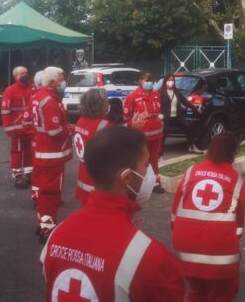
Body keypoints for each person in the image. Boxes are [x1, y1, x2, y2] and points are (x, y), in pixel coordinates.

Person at [41, 126, 185, 302]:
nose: (150, 173)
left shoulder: (56, 236)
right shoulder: (151, 259)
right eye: (146, 165)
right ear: (126, 178)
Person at [171, 132, 245, 302]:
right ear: (233, 153)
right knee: (222, 294)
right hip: (222, 257)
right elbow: (239, 227)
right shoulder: (237, 181)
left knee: (196, 292)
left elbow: (174, 215)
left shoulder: (191, 172)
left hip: (184, 252)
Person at [31, 66, 72, 243]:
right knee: (51, 192)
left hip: (42, 150)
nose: (63, 82)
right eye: (62, 78)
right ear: (53, 81)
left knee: (44, 189)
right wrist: (70, 130)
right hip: (51, 154)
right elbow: (54, 131)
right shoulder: (50, 101)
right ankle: (47, 228)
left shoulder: (38, 96)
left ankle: (42, 221)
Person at [73, 89, 122, 206]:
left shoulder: (80, 121)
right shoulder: (104, 125)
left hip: (83, 174)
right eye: (106, 102)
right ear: (100, 104)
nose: (108, 104)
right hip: (99, 178)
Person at [123, 72, 164, 194]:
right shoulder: (132, 96)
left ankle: (156, 183)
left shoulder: (157, 95)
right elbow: (126, 117)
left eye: (151, 80)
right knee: (139, 160)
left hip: (156, 134)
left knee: (154, 159)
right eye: (147, 80)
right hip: (140, 135)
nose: (149, 83)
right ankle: (136, 184)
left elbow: (159, 111)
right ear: (140, 81)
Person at [0, 67, 34, 189]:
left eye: (26, 73)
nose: (25, 75)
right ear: (15, 77)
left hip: (30, 129)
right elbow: (5, 112)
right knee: (17, 152)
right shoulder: (10, 91)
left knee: (30, 152)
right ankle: (17, 175)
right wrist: (9, 129)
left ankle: (29, 173)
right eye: (21, 74)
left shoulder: (33, 89)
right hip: (17, 130)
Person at [160, 74, 200, 153]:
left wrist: (195, 109)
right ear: (165, 81)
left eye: (172, 80)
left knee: (188, 126)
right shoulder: (161, 92)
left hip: (177, 116)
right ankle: (159, 152)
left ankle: (192, 147)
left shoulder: (176, 91)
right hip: (166, 117)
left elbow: (185, 102)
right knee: (163, 133)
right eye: (169, 80)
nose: (170, 82)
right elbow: (158, 105)